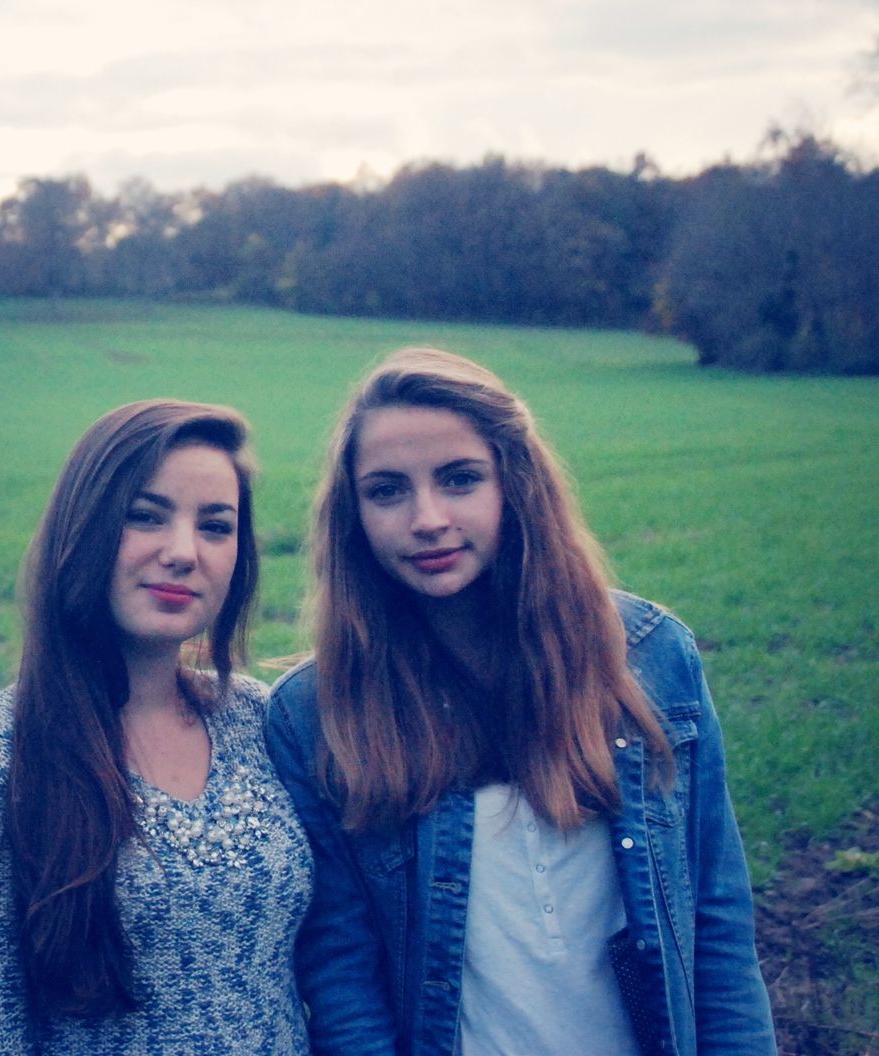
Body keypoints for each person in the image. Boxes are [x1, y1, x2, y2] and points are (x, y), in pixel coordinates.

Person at [265, 347, 776, 1056]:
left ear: (515, 483)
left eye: (459, 478)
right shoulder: (317, 713)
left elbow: (715, 923)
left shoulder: (649, 658)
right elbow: (342, 979)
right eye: (386, 490)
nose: (427, 518)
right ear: (352, 516)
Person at [0, 400, 313, 1054]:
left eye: (215, 526)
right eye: (145, 516)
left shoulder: (265, 720)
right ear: (84, 527)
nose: (182, 552)